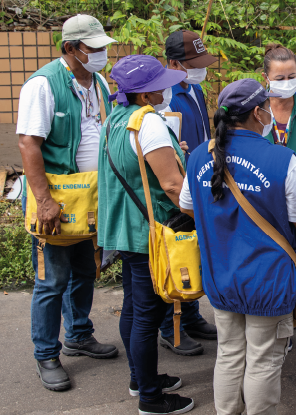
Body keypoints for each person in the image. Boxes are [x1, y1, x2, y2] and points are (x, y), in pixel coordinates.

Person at [179, 78, 296, 415]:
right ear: (258, 113)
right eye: (266, 106)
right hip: (268, 279)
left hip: (220, 274)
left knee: (230, 353)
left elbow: (187, 206)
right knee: (262, 358)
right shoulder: (281, 159)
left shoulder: (200, 156)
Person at [17, 14, 118, 392]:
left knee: (85, 271)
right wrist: (43, 200)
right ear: (69, 49)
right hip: (57, 201)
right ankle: (46, 353)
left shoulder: (99, 82)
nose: (102, 54)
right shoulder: (43, 85)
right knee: (51, 280)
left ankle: (78, 333)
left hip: (90, 196)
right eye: (94, 49)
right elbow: (29, 144)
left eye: (103, 47)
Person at [97, 55, 194, 415]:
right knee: (148, 316)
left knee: (134, 307)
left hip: (124, 228)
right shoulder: (148, 123)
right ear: (143, 94)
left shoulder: (115, 121)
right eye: (160, 84)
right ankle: (151, 398)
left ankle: (141, 378)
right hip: (150, 234)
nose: (166, 88)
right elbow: (171, 184)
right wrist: (200, 215)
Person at [157, 29, 219, 355]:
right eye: (192, 64)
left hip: (198, 182)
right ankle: (171, 325)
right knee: (176, 254)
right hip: (176, 191)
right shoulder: (164, 96)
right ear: (172, 63)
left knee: (193, 254)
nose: (200, 69)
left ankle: (192, 315)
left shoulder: (193, 88)